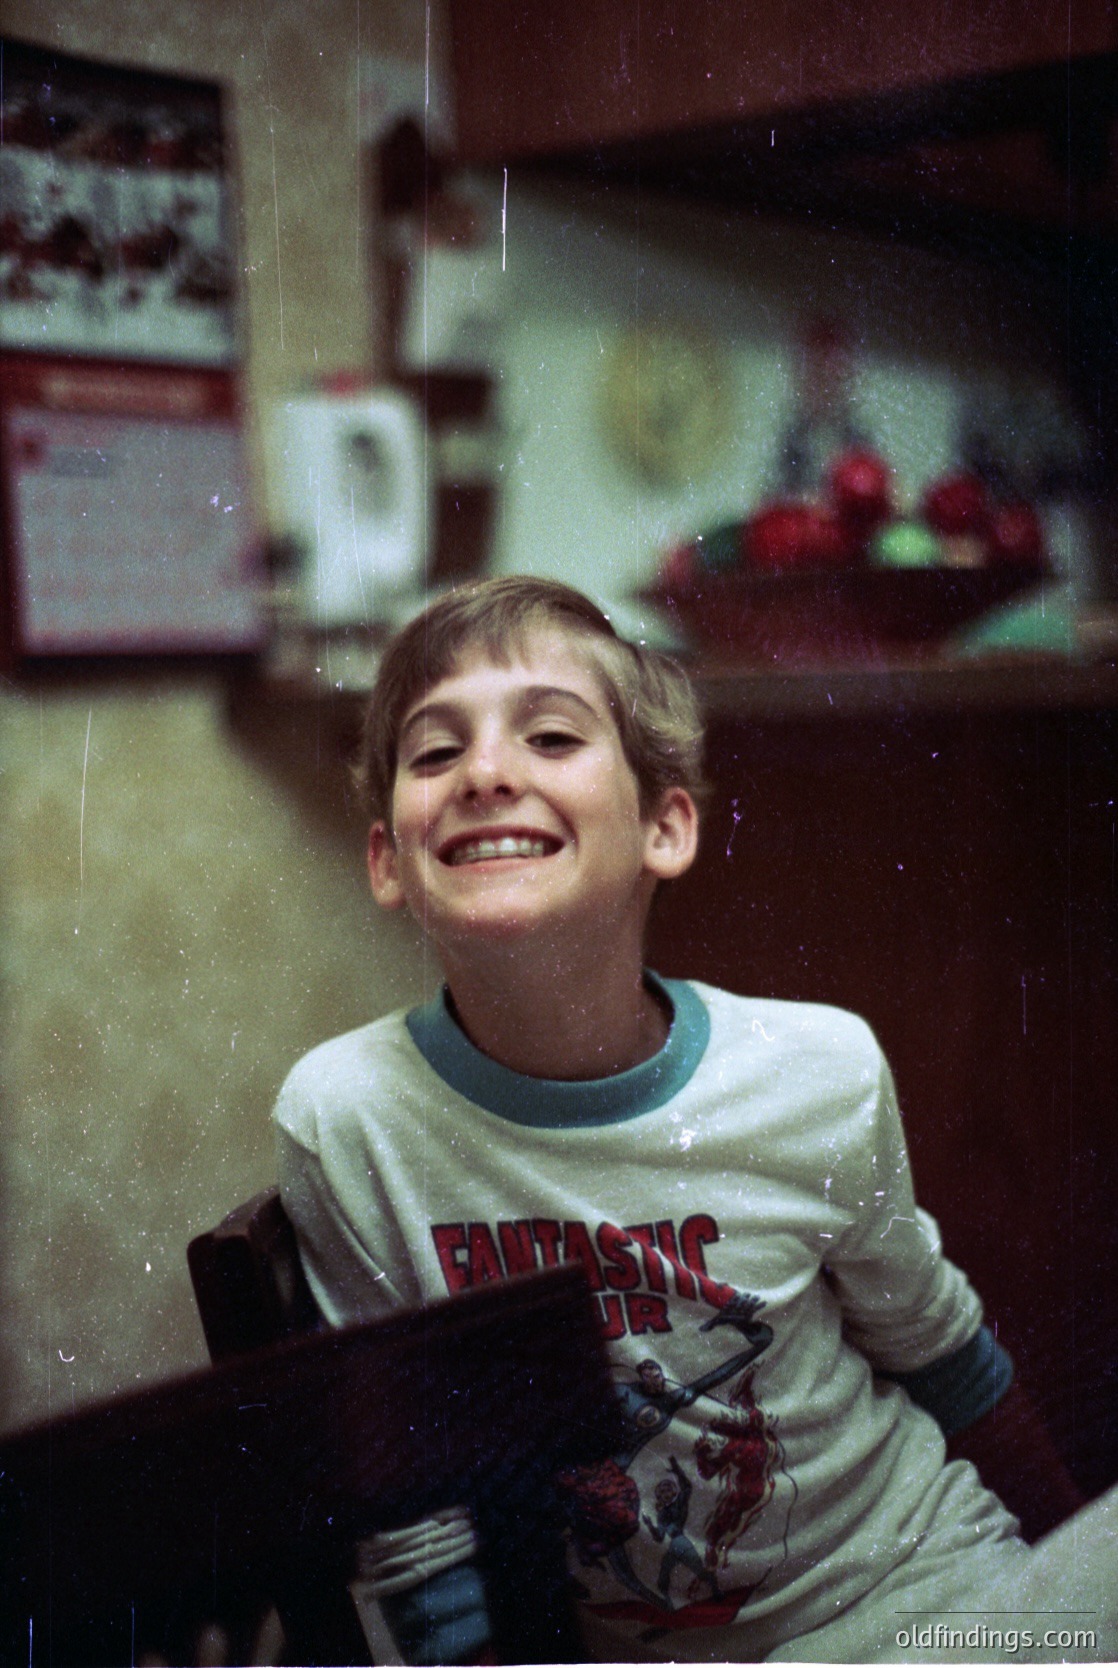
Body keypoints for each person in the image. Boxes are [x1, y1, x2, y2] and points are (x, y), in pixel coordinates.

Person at [273, 576, 1113, 1664]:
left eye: (549, 735)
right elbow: (413, 1525)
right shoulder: (348, 1121)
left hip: (918, 1594)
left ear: (664, 827)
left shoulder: (820, 1069)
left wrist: (1065, 1587)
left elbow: (944, 1352)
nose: (484, 772)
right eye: (435, 754)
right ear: (389, 859)